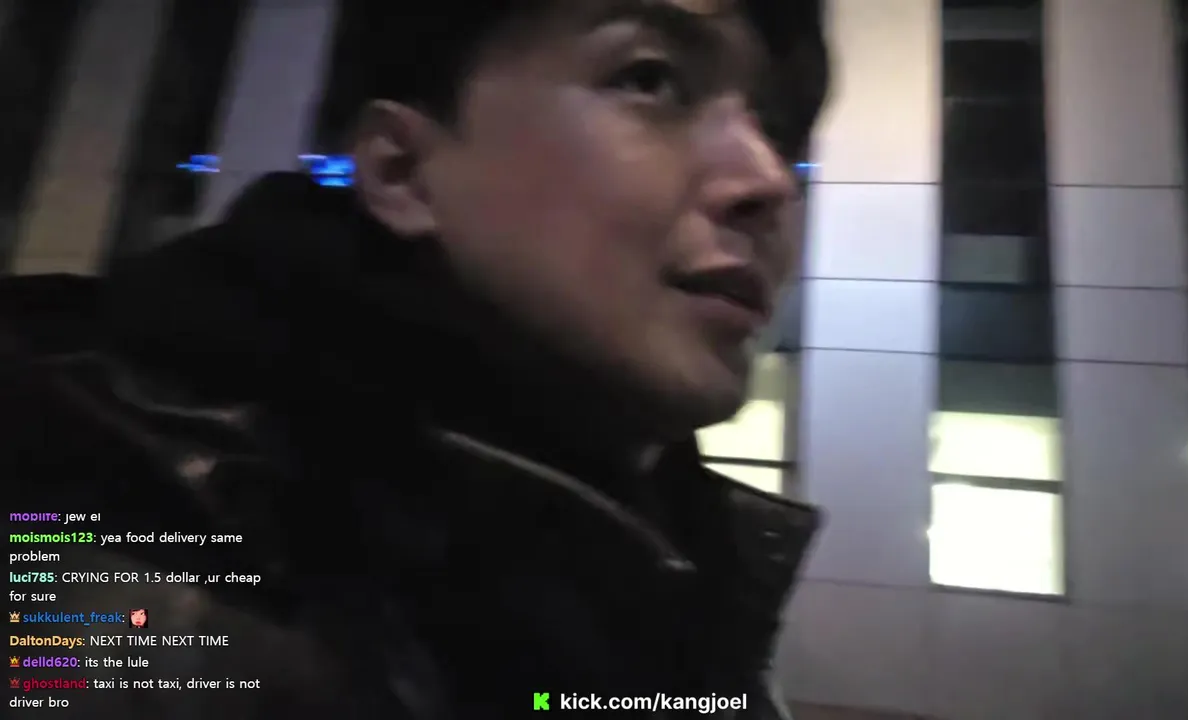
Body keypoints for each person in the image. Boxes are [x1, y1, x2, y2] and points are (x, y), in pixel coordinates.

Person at [0, 0, 829, 717]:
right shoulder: (95, 522)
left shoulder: (685, 572)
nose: (770, 180)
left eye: (776, 125)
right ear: (401, 169)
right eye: (650, 79)